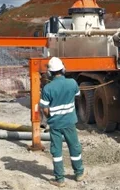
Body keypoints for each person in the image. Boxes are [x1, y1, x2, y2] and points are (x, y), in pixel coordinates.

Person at [39, 57, 85, 187]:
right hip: (70, 122)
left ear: (49, 73)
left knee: (56, 151)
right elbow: (77, 96)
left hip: (55, 124)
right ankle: (79, 173)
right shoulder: (72, 83)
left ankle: (60, 179)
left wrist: (50, 117)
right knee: (74, 146)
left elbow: (45, 109)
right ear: (63, 69)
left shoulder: (47, 88)